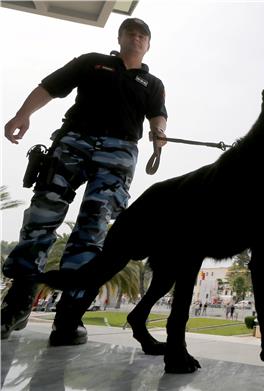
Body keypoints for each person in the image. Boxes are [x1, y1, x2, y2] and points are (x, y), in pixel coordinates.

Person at [1, 18, 167, 346]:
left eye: (142, 36)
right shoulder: (92, 61)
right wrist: (23, 114)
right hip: (73, 141)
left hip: (119, 152)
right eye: (130, 33)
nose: (136, 39)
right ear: (119, 39)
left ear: (148, 45)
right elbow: (49, 86)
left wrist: (159, 133)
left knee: (93, 230)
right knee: (41, 219)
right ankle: (16, 305)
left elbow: (158, 113)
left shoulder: (153, 82)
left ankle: (68, 318)